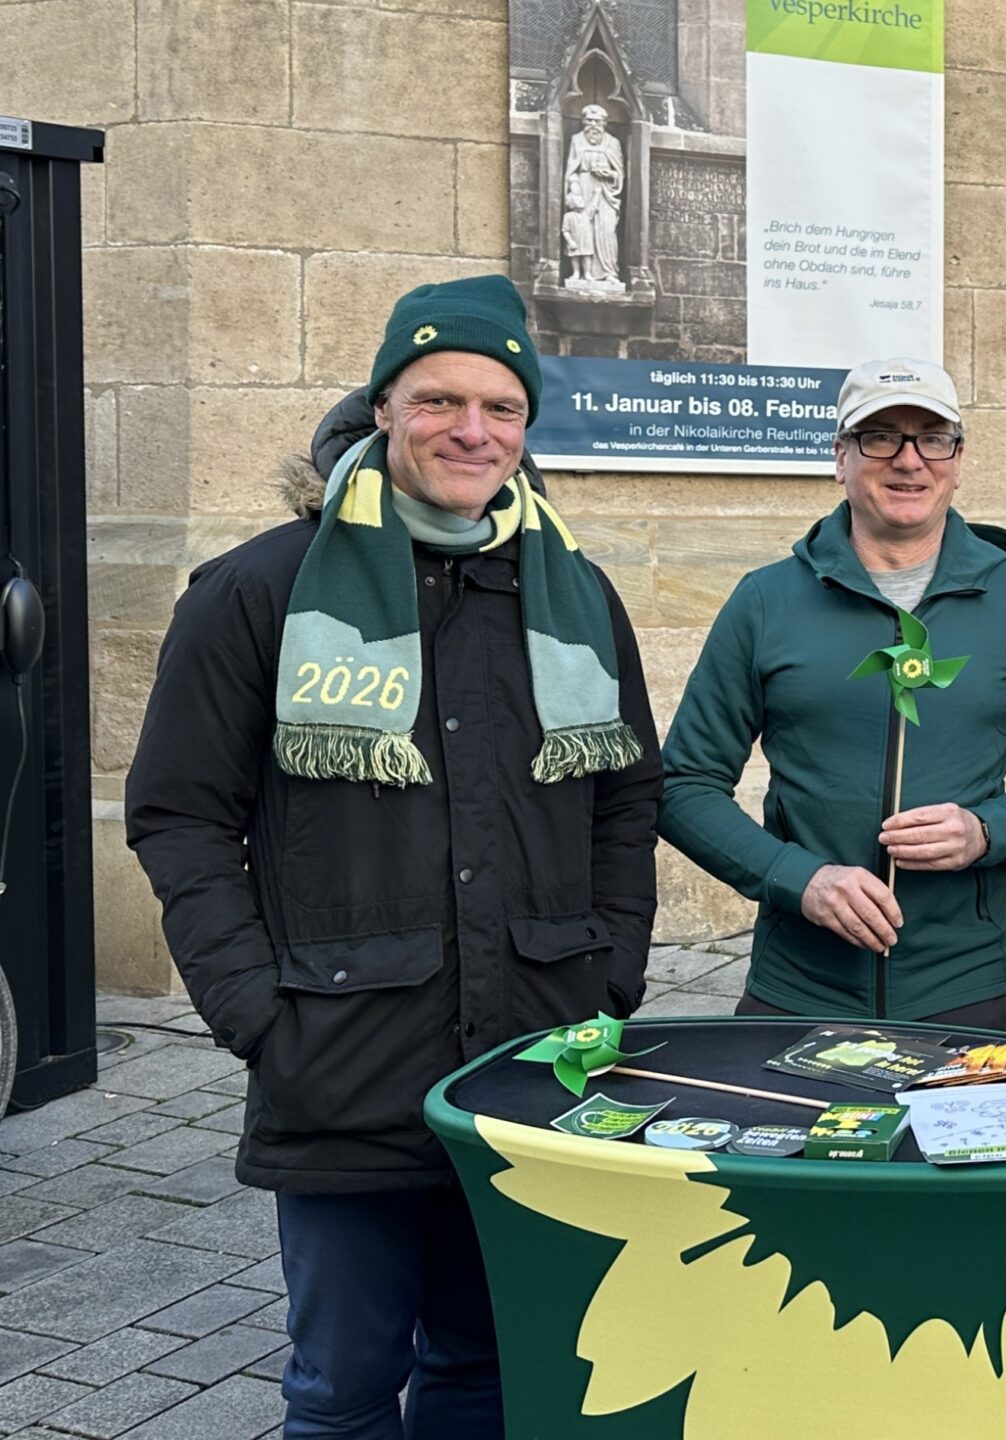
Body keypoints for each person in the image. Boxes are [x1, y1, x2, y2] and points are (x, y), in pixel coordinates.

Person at [125, 275, 661, 1438]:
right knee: (342, 1391)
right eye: (440, 400)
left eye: (502, 408)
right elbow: (179, 816)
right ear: (382, 408)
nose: (473, 431)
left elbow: (625, 799)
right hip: (340, 1065)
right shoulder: (258, 592)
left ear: (527, 427)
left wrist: (609, 973)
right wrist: (258, 1015)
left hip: (533, 1059)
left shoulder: (571, 595)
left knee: (485, 1366)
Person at [659, 357, 1006, 1027]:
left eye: (932, 437)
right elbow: (682, 785)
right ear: (840, 457)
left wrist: (989, 828)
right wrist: (798, 880)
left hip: (966, 983)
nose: (909, 460)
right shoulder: (766, 601)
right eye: (880, 435)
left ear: (957, 457)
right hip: (799, 987)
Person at [562, 104, 624, 289]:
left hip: (605, 192)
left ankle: (609, 272)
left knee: (607, 230)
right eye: (589, 120)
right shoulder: (576, 140)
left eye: (597, 121)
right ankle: (581, 274)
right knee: (582, 231)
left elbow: (619, 173)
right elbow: (570, 170)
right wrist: (574, 187)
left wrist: (609, 174)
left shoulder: (613, 142)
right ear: (583, 122)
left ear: (604, 123)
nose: (593, 125)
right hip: (582, 189)